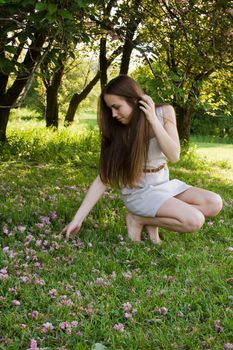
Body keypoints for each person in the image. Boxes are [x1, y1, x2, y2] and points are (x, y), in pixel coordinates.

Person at [64, 75, 222, 243]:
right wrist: (77, 219)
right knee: (194, 220)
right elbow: (103, 179)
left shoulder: (165, 112)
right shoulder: (118, 132)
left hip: (163, 184)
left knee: (214, 203)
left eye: (117, 107)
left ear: (133, 100)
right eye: (110, 109)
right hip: (139, 193)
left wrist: (153, 120)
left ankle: (144, 219)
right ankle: (139, 218)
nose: (113, 114)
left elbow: (174, 156)